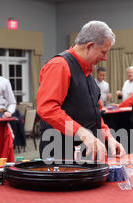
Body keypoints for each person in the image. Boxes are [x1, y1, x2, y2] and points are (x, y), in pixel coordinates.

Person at [37, 20, 125, 161]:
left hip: (85, 152)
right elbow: (47, 109)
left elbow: (95, 115)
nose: (105, 58)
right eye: (103, 52)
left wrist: (109, 137)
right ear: (89, 46)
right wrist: (82, 133)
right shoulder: (59, 65)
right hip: (61, 152)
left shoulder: (87, 73)